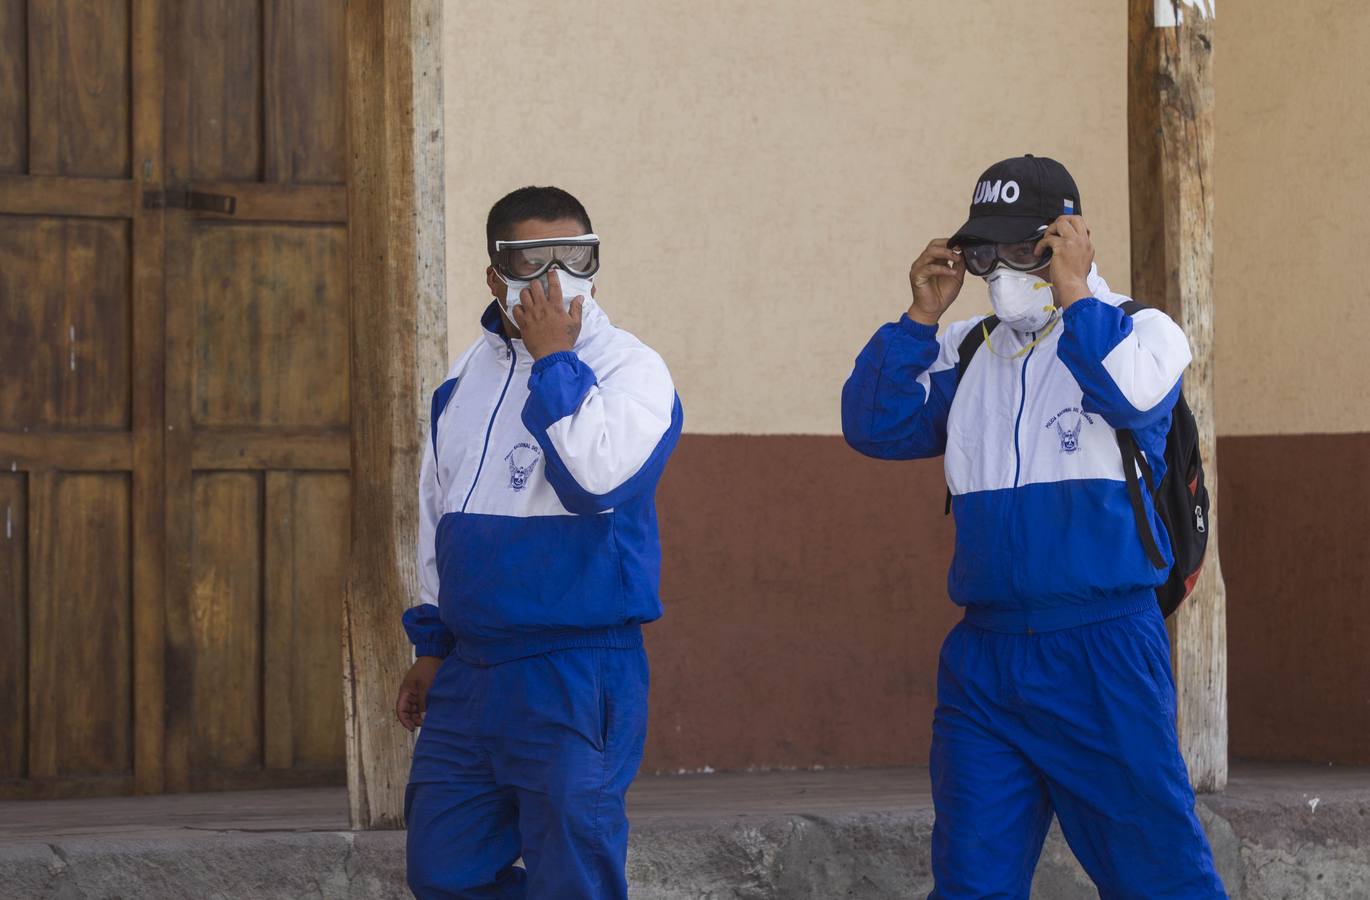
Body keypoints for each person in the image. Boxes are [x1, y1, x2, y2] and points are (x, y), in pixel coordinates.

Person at [841, 155, 1227, 898]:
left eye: (1024, 250)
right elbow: (873, 424)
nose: (1000, 271)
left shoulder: (1140, 330)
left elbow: (1129, 395)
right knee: (969, 881)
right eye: (984, 253)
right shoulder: (970, 348)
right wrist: (920, 318)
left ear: (1067, 240)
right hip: (984, 659)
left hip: (1102, 651)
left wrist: (1076, 292)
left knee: (1160, 876)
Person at [397, 186, 683, 899]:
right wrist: (432, 650)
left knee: (571, 877)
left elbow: (595, 481)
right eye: (533, 260)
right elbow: (438, 518)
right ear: (496, 275)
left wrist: (555, 359)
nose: (556, 279)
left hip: (575, 671)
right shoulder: (463, 380)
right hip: (471, 674)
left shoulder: (631, 369)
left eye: (575, 257)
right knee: (443, 873)